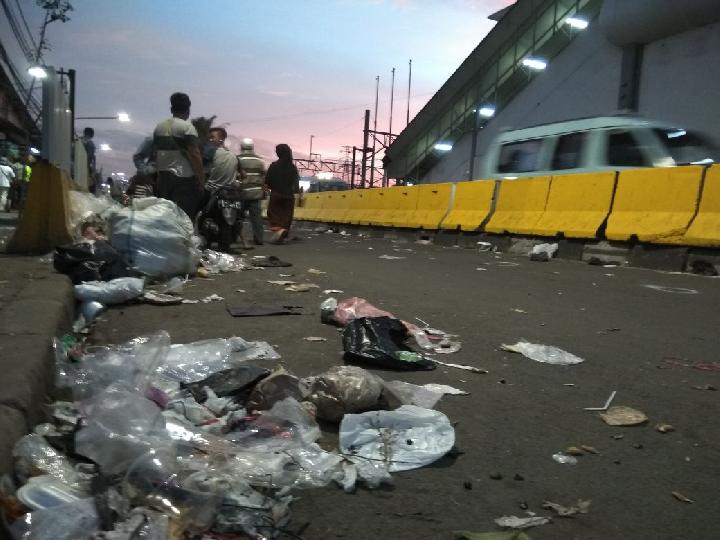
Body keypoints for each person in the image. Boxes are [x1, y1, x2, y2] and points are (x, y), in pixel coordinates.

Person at [152, 92, 205, 218]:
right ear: (188, 110)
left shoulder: (159, 127)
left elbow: (155, 153)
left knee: (165, 215)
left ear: (171, 109)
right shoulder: (187, 127)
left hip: (164, 178)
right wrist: (201, 179)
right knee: (184, 216)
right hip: (184, 178)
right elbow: (195, 154)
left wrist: (158, 174)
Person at [264, 143, 299, 243]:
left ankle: (279, 231)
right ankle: (283, 232)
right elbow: (295, 183)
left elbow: (268, 181)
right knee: (286, 215)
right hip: (288, 195)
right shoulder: (292, 167)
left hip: (276, 194)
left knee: (274, 214)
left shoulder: (273, 166)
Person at [237, 138, 266, 245]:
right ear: (252, 147)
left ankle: (234, 237)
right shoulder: (260, 160)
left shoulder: (238, 158)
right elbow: (263, 176)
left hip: (242, 192)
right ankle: (259, 239)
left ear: (242, 147)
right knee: (257, 218)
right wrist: (262, 190)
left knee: (238, 216)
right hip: (256, 193)